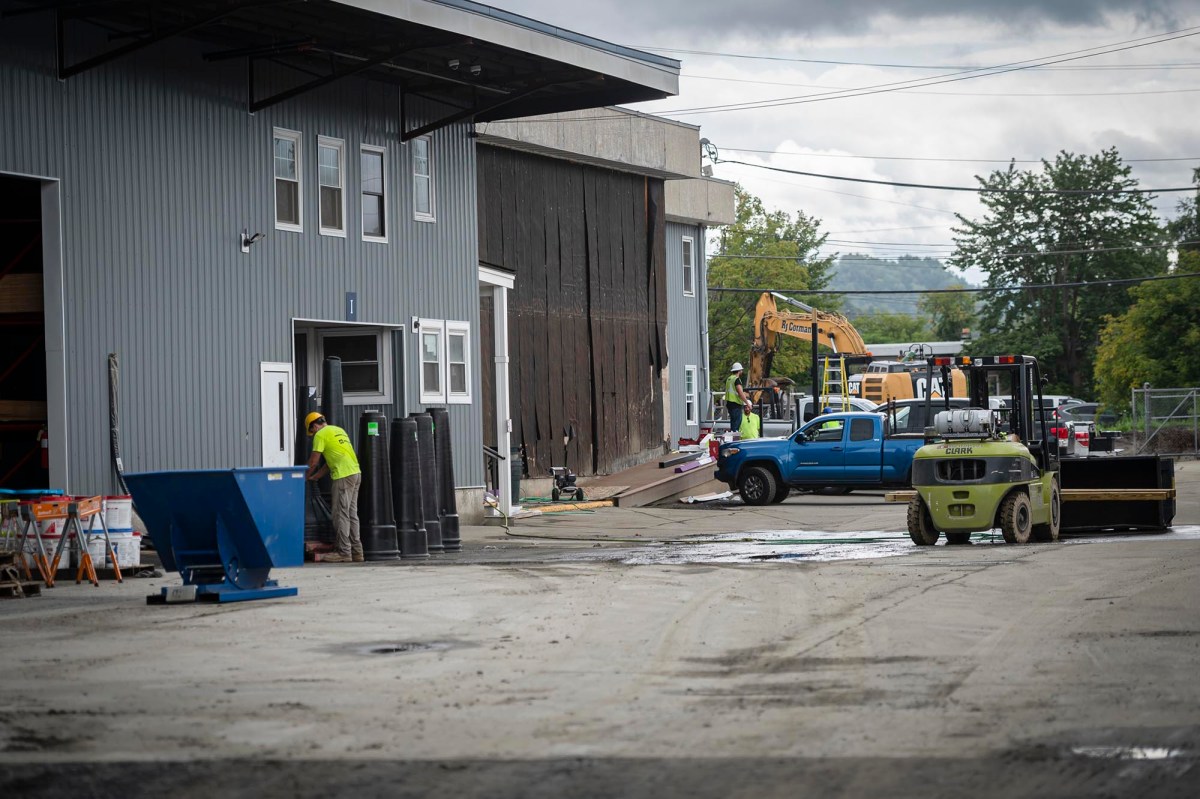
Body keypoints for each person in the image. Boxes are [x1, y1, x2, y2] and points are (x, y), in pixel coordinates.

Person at [304, 412, 363, 563]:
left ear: (314, 426)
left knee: (340, 515)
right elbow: (331, 462)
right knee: (351, 514)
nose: (313, 434)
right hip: (355, 474)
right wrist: (316, 477)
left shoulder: (320, 435)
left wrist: (303, 477)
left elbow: (313, 462)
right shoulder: (338, 430)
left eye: (312, 431)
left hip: (343, 477)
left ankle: (344, 552)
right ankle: (357, 552)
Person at [725, 362, 753, 434]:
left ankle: (732, 437)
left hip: (729, 403)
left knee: (733, 423)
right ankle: (735, 438)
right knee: (736, 424)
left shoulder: (729, 379)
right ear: (739, 371)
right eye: (741, 370)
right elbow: (740, 393)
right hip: (736, 404)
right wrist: (747, 403)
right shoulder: (736, 379)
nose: (742, 371)